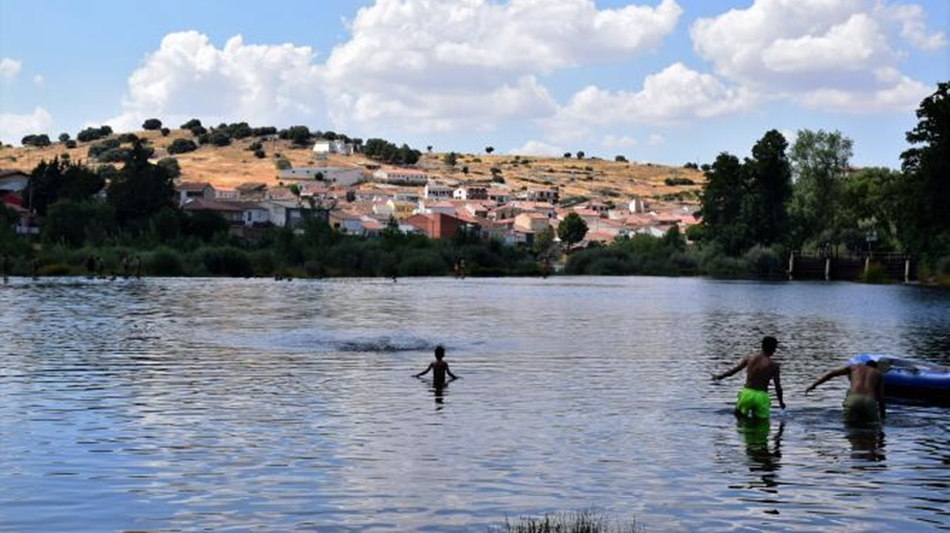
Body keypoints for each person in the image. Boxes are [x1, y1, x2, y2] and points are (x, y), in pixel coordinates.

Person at [713, 336, 786, 420]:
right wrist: (781, 402)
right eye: (775, 348)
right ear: (773, 348)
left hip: (747, 394)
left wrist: (720, 376)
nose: (775, 350)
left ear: (762, 346)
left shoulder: (750, 358)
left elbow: (733, 371)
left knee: (739, 418)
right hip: (761, 396)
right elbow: (778, 387)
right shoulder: (774, 366)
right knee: (761, 424)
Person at [805, 359, 887, 425]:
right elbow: (881, 399)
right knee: (874, 426)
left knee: (848, 425)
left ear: (865, 364)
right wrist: (883, 417)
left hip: (853, 399)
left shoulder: (854, 367)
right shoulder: (878, 374)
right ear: (876, 367)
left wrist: (814, 385)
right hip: (869, 401)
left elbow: (832, 373)